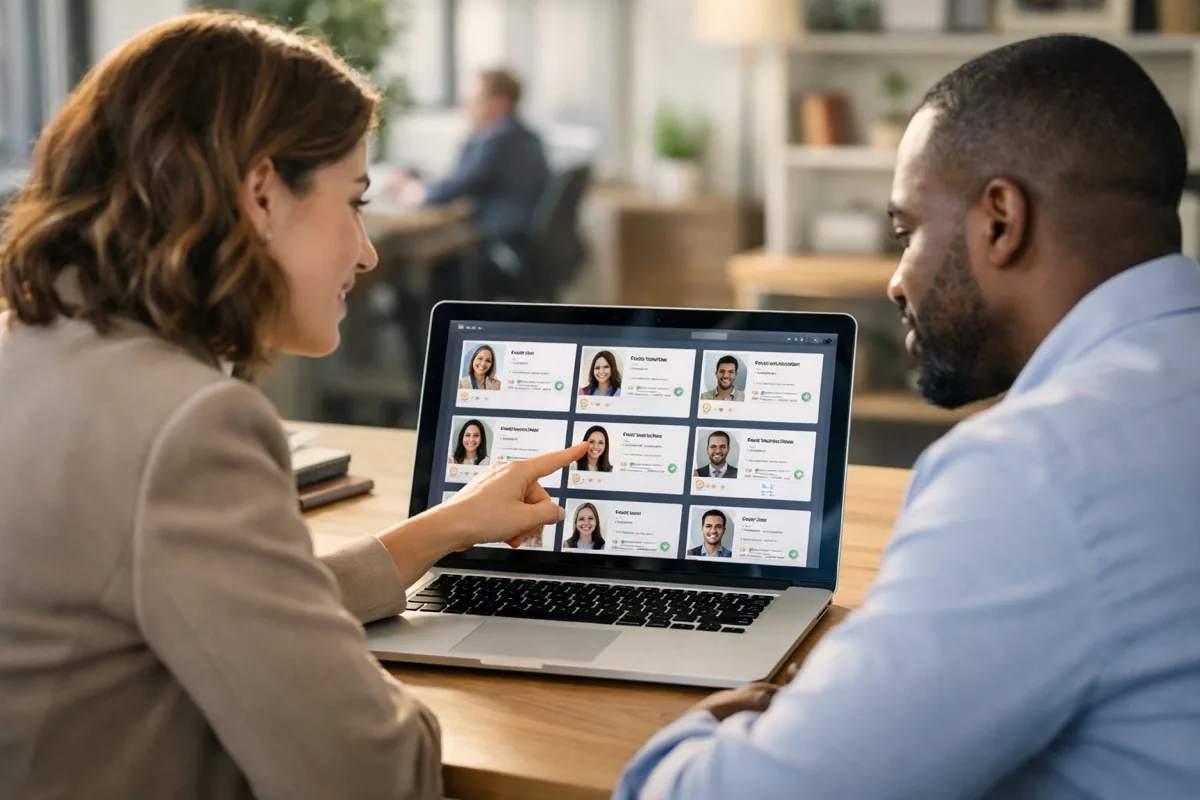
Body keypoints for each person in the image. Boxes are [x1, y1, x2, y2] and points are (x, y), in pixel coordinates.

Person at [0, 12, 589, 800]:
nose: (367, 249)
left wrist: (447, 527)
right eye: (354, 200)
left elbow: (218, 602)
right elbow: (372, 776)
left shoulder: (34, 347)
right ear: (262, 195)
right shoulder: (188, 426)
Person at [615, 35, 1200, 799]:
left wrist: (703, 726)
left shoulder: (1032, 473)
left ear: (1000, 220)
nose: (896, 281)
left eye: (907, 231)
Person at [400, 68, 551, 297]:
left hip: (502, 250)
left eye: (475, 100)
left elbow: (454, 187)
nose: (467, 106)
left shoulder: (496, 139)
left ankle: (432, 331)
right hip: (523, 248)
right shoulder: (529, 137)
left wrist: (414, 190)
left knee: (431, 273)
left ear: (499, 103)